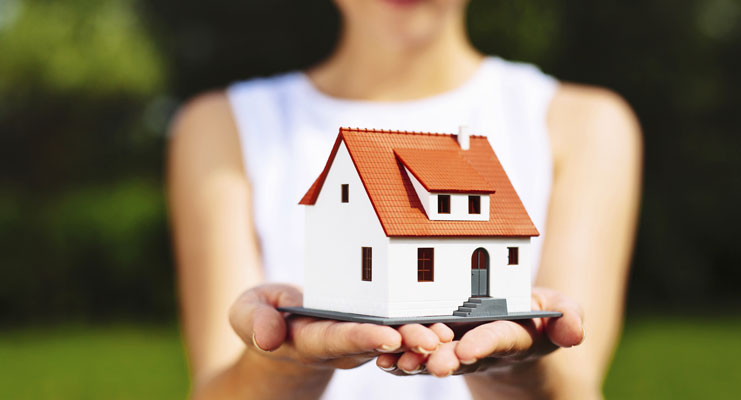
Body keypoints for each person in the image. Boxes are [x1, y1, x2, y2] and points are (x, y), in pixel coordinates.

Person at [167, 0, 641, 398]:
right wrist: (287, 364)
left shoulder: (585, 125)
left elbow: (576, 383)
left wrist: (517, 369)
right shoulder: (221, 126)